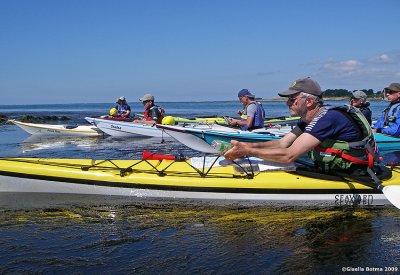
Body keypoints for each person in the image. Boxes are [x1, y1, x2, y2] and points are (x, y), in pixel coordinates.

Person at [224, 77, 381, 177]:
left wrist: (248, 152)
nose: (288, 103)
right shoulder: (307, 119)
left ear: (309, 102)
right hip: (334, 170)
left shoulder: (328, 118)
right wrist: (246, 145)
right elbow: (282, 143)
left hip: (356, 174)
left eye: (292, 99)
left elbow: (289, 156)